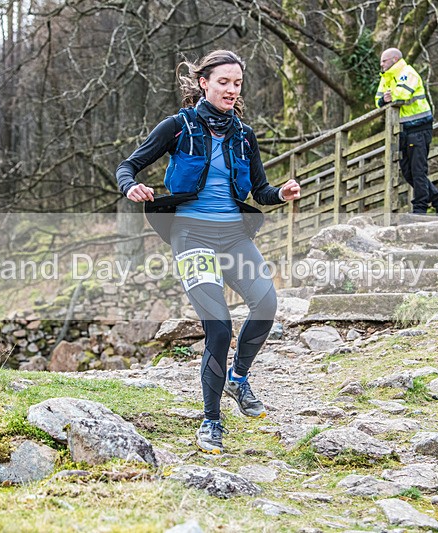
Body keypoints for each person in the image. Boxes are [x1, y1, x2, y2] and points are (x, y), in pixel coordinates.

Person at [116, 49, 300, 454]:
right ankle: (211, 420)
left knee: (266, 305)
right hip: (191, 236)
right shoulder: (177, 127)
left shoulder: (244, 135)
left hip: (234, 236)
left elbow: (260, 190)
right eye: (223, 82)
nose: (232, 90)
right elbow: (128, 165)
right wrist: (132, 186)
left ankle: (238, 378)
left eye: (237, 83)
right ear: (204, 83)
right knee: (218, 327)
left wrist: (281, 194)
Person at [376, 48, 438, 215]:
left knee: (418, 170)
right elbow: (378, 100)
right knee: (408, 172)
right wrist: (384, 99)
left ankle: (420, 209)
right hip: (402, 130)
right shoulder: (386, 78)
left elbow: (402, 94)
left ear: (395, 59)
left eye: (384, 61)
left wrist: (390, 97)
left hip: (418, 128)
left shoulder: (407, 72)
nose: (381, 64)